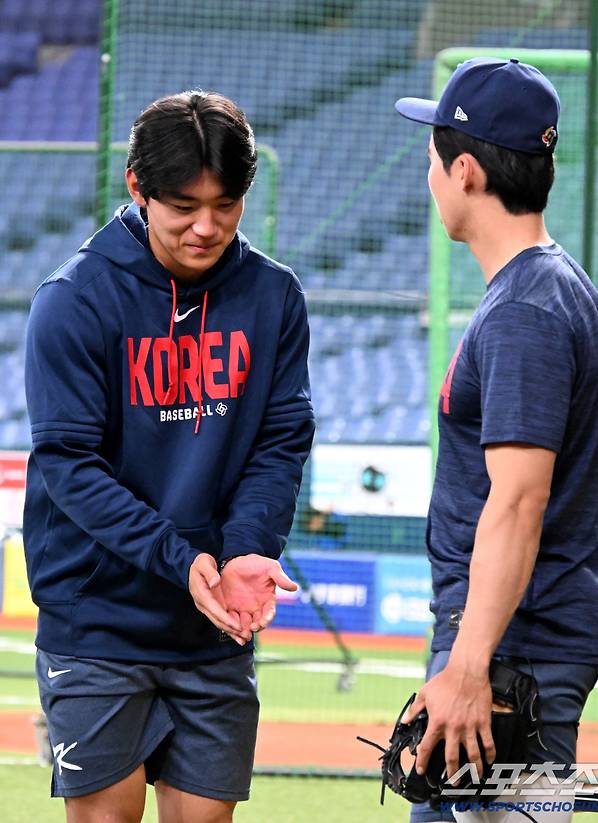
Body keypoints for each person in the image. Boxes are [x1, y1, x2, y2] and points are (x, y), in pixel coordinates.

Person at [23, 90, 315, 822]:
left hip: (213, 623)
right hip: (98, 618)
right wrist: (180, 559)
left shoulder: (274, 296)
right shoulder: (74, 300)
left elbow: (280, 442)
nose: (206, 226)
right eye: (184, 205)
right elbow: (69, 465)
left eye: (226, 204)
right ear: (137, 188)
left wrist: (248, 548)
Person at [395, 58, 598, 823]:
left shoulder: (526, 307)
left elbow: (519, 502)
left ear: (465, 170)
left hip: (511, 650)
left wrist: (466, 664)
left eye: (431, 155)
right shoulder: (546, 288)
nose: (426, 173)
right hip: (506, 643)